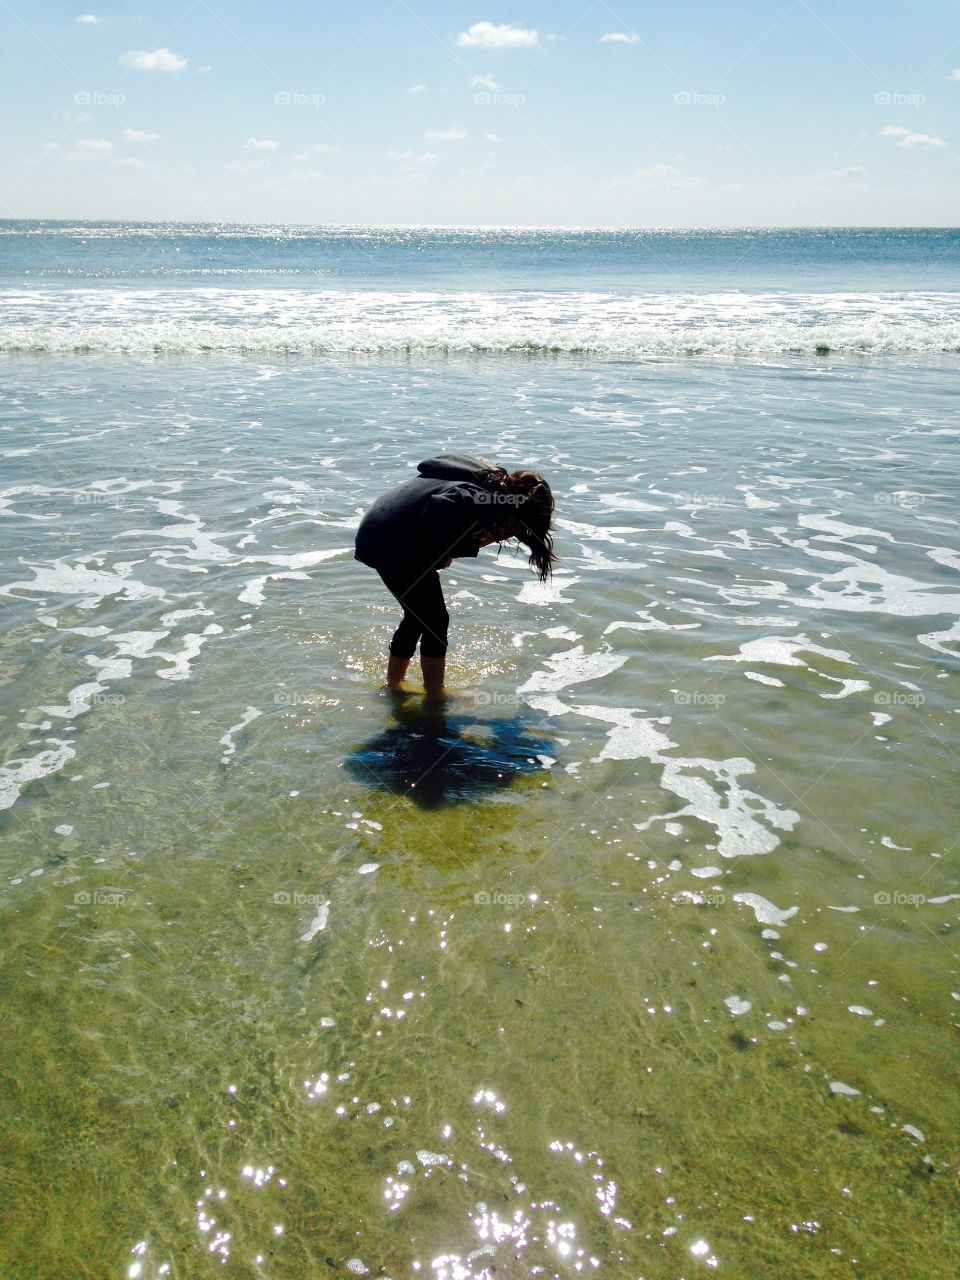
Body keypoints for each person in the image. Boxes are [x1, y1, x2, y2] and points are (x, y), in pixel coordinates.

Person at [355, 453, 557, 698]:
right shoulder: (495, 503)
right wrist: (440, 554)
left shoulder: (486, 486)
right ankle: (434, 696)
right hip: (394, 542)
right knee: (436, 621)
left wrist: (453, 549)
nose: (512, 535)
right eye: (519, 529)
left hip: (378, 533)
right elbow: (443, 506)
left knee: (417, 616)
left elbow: (444, 518)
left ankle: (392, 686)